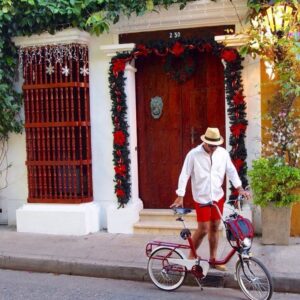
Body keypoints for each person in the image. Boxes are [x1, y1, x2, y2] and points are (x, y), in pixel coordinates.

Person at [170, 127, 249, 271]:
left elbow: (231, 171)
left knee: (214, 227)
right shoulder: (193, 154)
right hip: (202, 198)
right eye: (211, 145)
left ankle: (213, 259)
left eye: (216, 145)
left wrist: (240, 188)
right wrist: (180, 195)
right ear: (205, 142)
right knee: (203, 229)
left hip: (217, 197)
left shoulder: (223, 153)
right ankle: (191, 257)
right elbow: (184, 174)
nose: (213, 148)